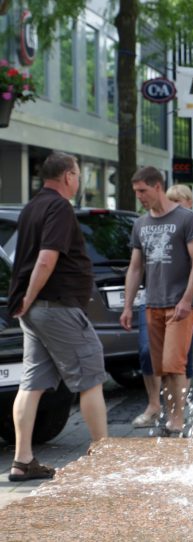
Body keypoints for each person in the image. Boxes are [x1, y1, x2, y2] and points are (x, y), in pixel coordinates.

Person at [7, 152, 108, 481]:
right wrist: (31, 297)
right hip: (57, 306)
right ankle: (106, 459)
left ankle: (22, 461)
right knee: (91, 377)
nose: (78, 182)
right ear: (68, 177)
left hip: (36, 312)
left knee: (31, 383)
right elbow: (47, 259)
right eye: (78, 175)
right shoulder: (59, 207)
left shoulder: (32, 207)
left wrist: (25, 302)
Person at [119, 168, 193, 437]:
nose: (139, 197)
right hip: (152, 303)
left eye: (142, 191)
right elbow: (135, 268)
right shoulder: (140, 224)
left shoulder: (186, 218)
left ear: (157, 187)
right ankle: (169, 417)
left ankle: (177, 420)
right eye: (136, 192)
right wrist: (128, 306)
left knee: (173, 363)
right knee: (159, 367)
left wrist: (187, 299)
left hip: (180, 305)